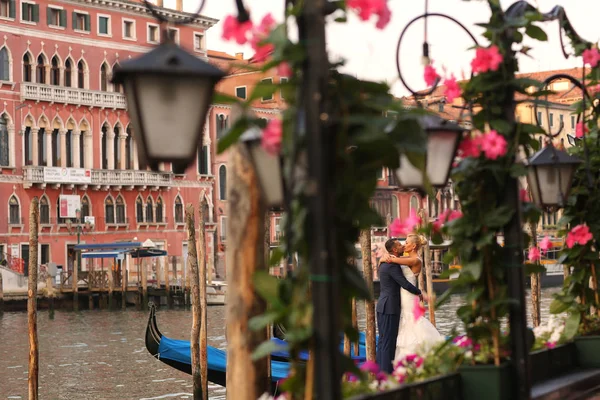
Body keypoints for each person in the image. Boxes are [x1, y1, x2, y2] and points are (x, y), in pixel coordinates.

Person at [381, 234, 443, 362]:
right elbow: (392, 260)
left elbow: (392, 260)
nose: (404, 245)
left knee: (411, 321)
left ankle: (419, 355)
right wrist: (384, 257)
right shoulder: (407, 257)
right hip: (402, 296)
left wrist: (384, 258)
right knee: (405, 323)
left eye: (407, 243)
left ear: (414, 246)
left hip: (408, 296)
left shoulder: (415, 260)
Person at [376, 238, 428, 373]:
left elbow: (397, 261)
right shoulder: (392, 264)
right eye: (399, 245)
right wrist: (419, 292)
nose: (403, 245)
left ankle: (381, 372)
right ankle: (386, 374)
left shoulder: (389, 262)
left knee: (382, 341)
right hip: (390, 306)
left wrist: (382, 258)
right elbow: (404, 283)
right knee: (388, 341)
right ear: (394, 250)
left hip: (383, 304)